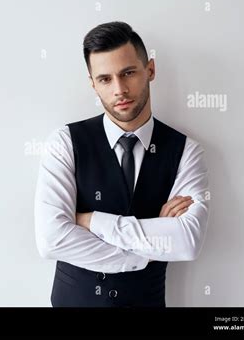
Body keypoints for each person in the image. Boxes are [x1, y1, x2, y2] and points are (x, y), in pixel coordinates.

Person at [34, 21, 210, 307]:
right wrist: (149, 248)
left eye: (128, 73)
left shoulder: (186, 152)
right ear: (93, 84)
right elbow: (52, 240)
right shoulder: (64, 142)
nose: (119, 89)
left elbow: (187, 242)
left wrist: (90, 221)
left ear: (150, 70)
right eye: (105, 79)